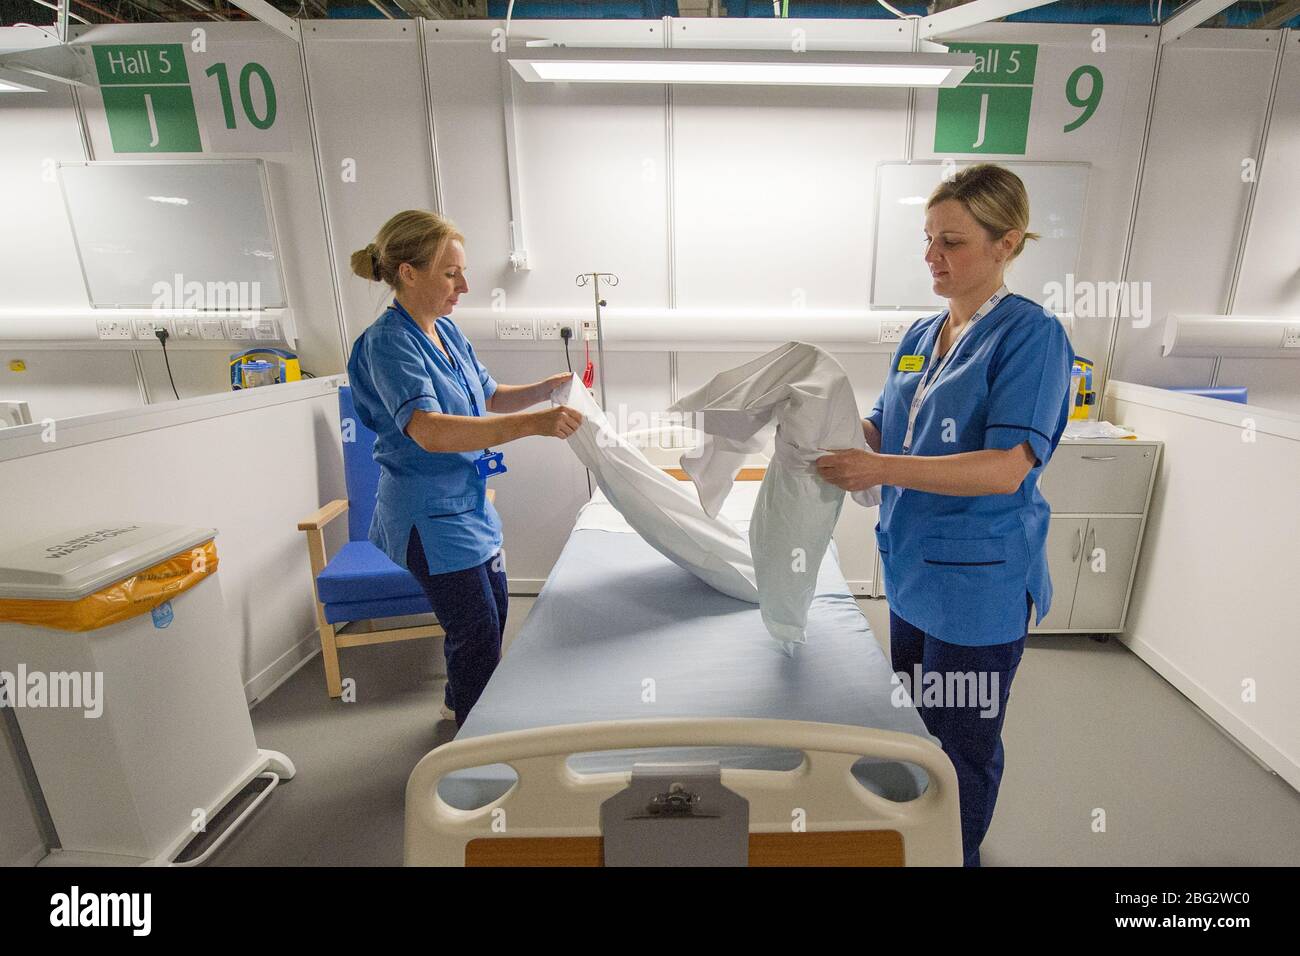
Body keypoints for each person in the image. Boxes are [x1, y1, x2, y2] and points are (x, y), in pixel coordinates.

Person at [816, 164, 1073, 866]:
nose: (932, 257)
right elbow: (883, 428)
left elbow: (1006, 466)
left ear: (1006, 243)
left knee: (962, 741)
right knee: (913, 730)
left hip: (978, 587)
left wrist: (880, 468)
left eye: (951, 241)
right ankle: (915, 841)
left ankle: (953, 854)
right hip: (913, 576)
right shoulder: (921, 334)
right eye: (928, 239)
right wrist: (823, 434)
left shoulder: (1033, 338)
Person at [346, 210, 582, 726]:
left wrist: (547, 389)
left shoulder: (446, 333)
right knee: (475, 630)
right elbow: (429, 429)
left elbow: (490, 396)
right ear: (408, 272)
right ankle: (475, 745)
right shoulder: (388, 344)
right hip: (427, 516)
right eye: (451, 273)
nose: (465, 286)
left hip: (466, 507)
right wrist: (534, 426)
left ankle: (460, 704)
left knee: (494, 614)